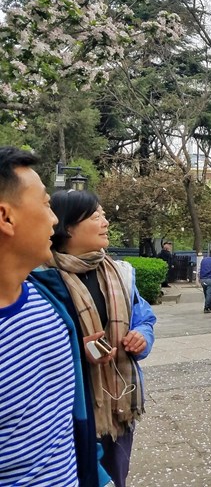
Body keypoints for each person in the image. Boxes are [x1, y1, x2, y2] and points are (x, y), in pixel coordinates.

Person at [31, 189, 156, 487]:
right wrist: (77, 350)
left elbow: (145, 317)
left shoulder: (121, 273)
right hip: (72, 407)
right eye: (96, 216)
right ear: (67, 227)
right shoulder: (40, 278)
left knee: (115, 477)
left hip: (118, 405)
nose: (106, 222)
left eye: (104, 215)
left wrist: (142, 336)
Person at [0, 147, 109, 487]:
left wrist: (98, 475)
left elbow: (66, 421)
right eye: (46, 204)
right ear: (6, 217)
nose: (53, 219)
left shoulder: (48, 301)